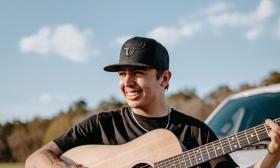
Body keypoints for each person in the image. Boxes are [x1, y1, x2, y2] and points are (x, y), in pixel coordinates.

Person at [25, 36, 280, 168]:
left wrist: (272, 154)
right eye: (122, 74)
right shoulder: (101, 125)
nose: (127, 82)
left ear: (164, 78)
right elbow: (35, 159)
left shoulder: (195, 133)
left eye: (137, 73)